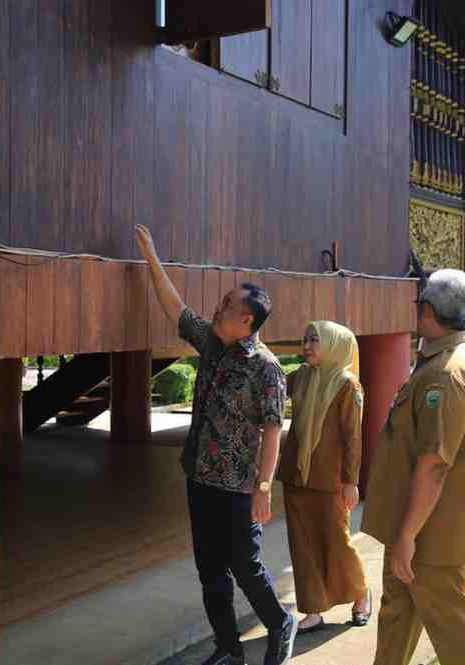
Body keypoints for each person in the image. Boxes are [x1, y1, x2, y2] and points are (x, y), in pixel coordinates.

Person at [134, 224, 297, 665]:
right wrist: (151, 257)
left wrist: (263, 487)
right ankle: (228, 647)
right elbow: (176, 308)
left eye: (227, 305)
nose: (218, 306)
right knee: (210, 570)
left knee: (245, 567)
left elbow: (272, 429)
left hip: (239, 487)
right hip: (200, 478)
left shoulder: (266, 369)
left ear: (247, 320)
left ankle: (281, 622)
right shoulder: (210, 342)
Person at [360, 269, 465, 665]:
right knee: (397, 616)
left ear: (428, 310)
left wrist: (407, 536)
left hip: (427, 535)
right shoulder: (441, 361)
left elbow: (434, 464)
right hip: (414, 527)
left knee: (455, 630)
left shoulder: (447, 375)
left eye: (419, 304)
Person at [277, 321, 371, 634]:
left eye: (314, 340)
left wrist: (350, 481)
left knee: (337, 541)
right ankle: (314, 609)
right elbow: (270, 385)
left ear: (333, 344)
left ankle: (360, 593)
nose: (307, 345)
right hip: (297, 475)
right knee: (301, 545)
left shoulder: (347, 385)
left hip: (330, 478)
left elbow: (352, 438)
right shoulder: (300, 377)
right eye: (305, 339)